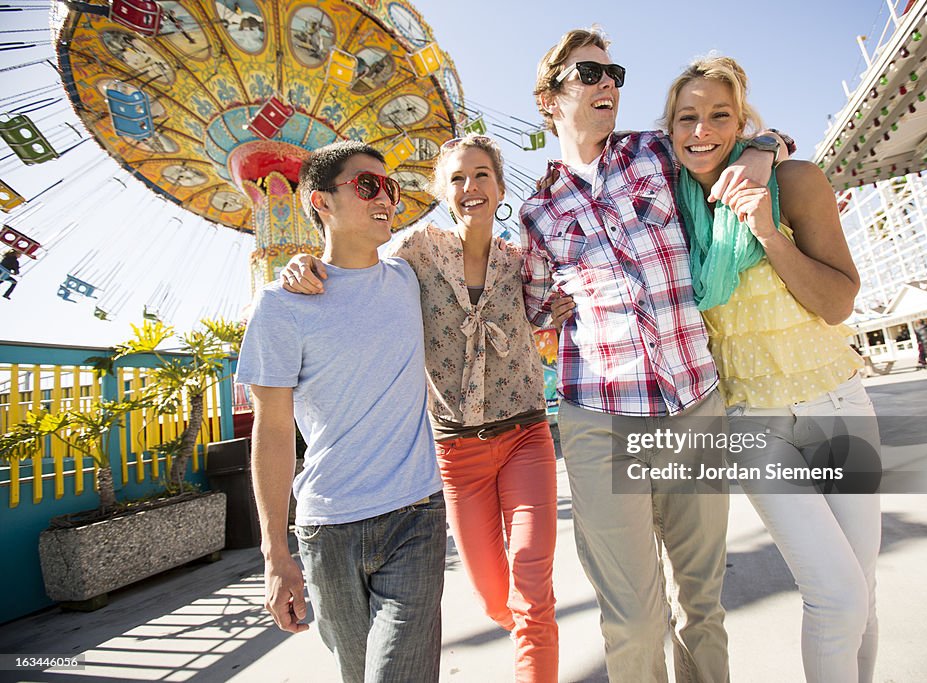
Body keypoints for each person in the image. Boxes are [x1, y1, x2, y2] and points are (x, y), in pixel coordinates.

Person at [520, 28, 782, 683]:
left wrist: (764, 152)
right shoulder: (534, 213)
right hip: (601, 420)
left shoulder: (653, 152)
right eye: (590, 73)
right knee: (634, 620)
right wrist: (540, 312)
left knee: (703, 606)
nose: (609, 83)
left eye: (616, 74)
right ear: (550, 97)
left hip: (695, 400)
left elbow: (732, 139)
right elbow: (524, 308)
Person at [280, 135, 574, 682]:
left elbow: (550, 303)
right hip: (456, 452)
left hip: (526, 436)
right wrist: (302, 263)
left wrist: (560, 305)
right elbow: (352, 270)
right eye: (458, 178)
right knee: (493, 594)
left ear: (500, 186)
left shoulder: (519, 261)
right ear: (443, 191)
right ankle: (520, 624)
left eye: (482, 174)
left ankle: (536, 653)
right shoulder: (415, 253)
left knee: (533, 581)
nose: (471, 187)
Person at [657, 55, 880, 683]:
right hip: (753, 422)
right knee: (836, 596)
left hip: (838, 404)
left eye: (719, 116)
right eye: (687, 118)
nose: (702, 131)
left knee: (863, 594)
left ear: (741, 120)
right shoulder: (670, 212)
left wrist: (770, 234)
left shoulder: (795, 181)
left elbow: (838, 304)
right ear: (669, 130)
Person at [236, 140, 447, 682]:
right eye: (368, 185)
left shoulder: (409, 278)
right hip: (327, 530)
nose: (387, 200)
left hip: (415, 515)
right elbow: (274, 430)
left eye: (392, 188)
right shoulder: (281, 307)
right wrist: (274, 554)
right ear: (320, 201)